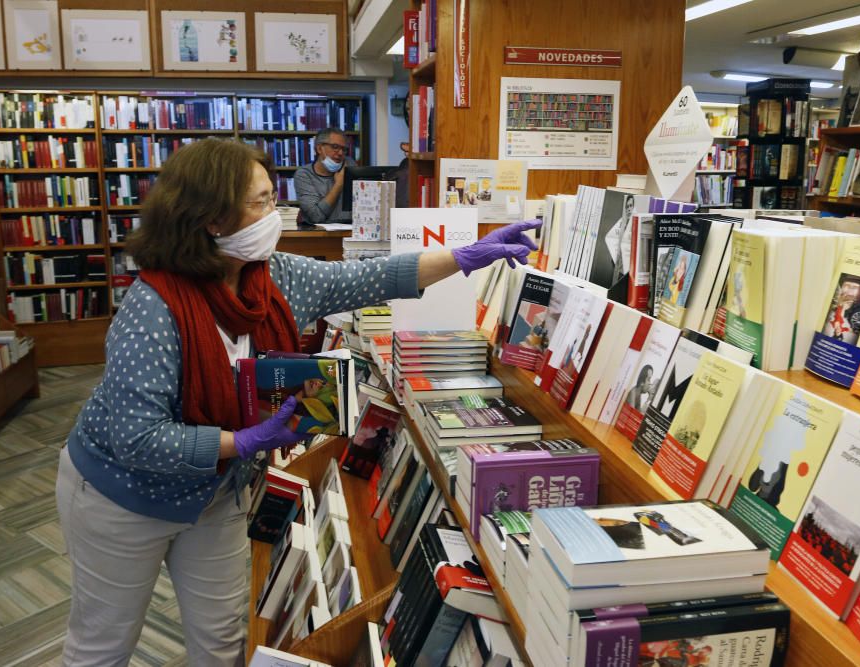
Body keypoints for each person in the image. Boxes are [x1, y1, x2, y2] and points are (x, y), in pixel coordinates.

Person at [54, 137, 540, 665]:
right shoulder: (152, 306)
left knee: (220, 644)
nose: (276, 214)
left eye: (273, 197)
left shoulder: (274, 278)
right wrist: (242, 440)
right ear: (211, 219)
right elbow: (135, 437)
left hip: (215, 494)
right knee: (104, 645)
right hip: (123, 498)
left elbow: (367, 276)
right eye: (261, 202)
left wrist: (465, 257)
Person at [294, 127, 357, 224]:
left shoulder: (350, 166)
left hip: (348, 233)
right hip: (318, 236)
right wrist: (339, 185)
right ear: (319, 148)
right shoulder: (304, 175)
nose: (340, 153)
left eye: (344, 149)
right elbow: (316, 217)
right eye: (335, 147)